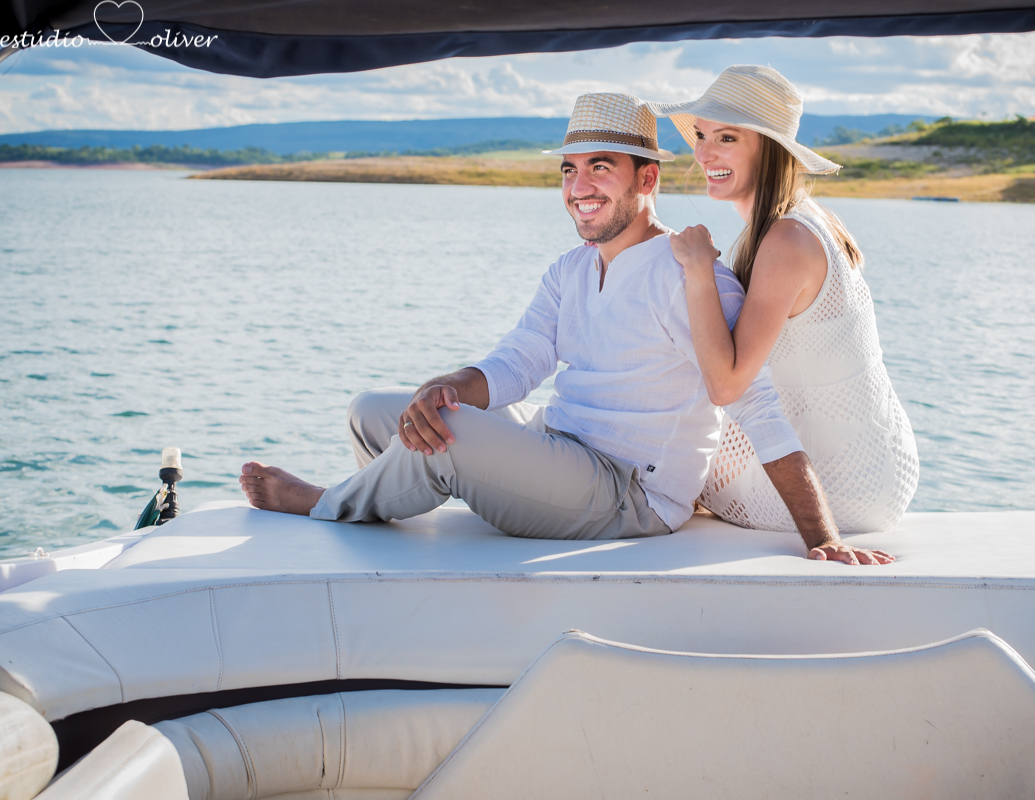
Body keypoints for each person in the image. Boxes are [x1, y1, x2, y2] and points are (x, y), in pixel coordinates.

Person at [239, 92, 892, 565]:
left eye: (600, 167)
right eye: (569, 169)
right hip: (558, 443)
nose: (580, 186)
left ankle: (325, 502)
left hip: (627, 491)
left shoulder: (693, 277)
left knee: (450, 436)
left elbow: (757, 406)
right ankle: (378, 513)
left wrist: (823, 537)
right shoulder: (569, 270)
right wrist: (450, 384)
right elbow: (519, 361)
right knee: (377, 413)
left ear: (648, 177)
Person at [652, 65, 919, 534]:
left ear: (770, 149)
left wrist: (697, 267)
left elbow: (726, 386)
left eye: (727, 138)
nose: (704, 153)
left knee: (649, 453)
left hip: (841, 485)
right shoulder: (807, 220)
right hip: (876, 464)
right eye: (701, 135)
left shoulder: (787, 241)